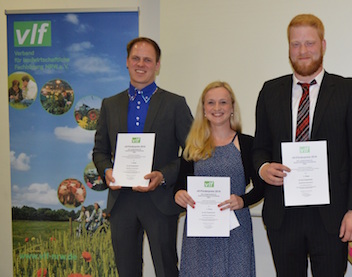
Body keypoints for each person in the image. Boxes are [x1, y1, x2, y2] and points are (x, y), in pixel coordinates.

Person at [253, 14, 352, 276]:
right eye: (296, 44)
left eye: (309, 43)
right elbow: (259, 146)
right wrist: (262, 168)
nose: (303, 51)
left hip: (332, 216)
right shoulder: (270, 91)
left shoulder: (347, 90)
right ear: (288, 48)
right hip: (283, 214)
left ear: (323, 45)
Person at [93, 37, 193, 277]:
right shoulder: (110, 104)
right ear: (127, 62)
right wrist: (107, 170)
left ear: (157, 65)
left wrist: (164, 175)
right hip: (121, 202)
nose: (141, 64)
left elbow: (191, 153)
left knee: (166, 269)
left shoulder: (175, 104)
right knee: (127, 270)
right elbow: (100, 151)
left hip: (159, 200)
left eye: (148, 60)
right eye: (135, 58)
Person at [174, 81, 264, 277]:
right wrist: (179, 195)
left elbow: (261, 188)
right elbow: (179, 187)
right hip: (200, 234)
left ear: (232, 107)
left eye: (223, 102)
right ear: (204, 109)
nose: (217, 108)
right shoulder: (192, 146)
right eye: (211, 103)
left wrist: (242, 200)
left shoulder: (247, 144)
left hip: (236, 231)